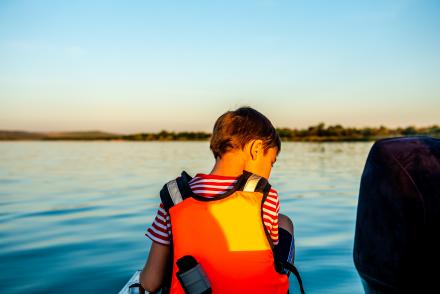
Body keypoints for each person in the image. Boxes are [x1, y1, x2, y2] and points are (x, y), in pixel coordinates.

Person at [139, 107, 298, 293]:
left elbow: (150, 283)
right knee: (284, 222)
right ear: (256, 149)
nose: (269, 172)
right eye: (270, 163)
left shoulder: (174, 198)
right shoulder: (266, 196)